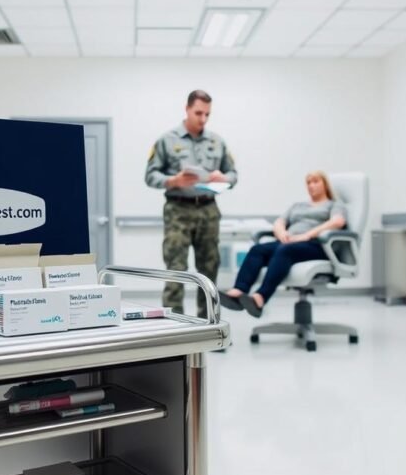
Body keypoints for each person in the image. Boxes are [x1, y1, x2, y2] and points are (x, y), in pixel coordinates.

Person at [145, 90, 238, 319]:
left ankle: (209, 323)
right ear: (187, 109)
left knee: (209, 268)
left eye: (207, 114)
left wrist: (223, 178)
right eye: (198, 113)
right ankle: (174, 325)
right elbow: (150, 175)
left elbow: (233, 174)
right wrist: (173, 180)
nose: (203, 119)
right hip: (178, 210)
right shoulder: (167, 140)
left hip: (208, 208)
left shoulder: (217, 142)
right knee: (176, 269)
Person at [219, 171, 347, 318]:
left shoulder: (334, 205)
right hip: (289, 243)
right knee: (258, 250)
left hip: (316, 245)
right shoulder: (298, 206)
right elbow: (280, 222)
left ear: (325, 184)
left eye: (316, 181)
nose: (311, 185)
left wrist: (306, 235)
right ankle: (239, 291)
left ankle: (260, 298)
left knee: (285, 250)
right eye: (308, 182)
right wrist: (282, 234)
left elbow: (338, 221)